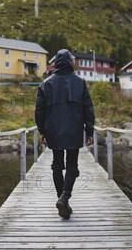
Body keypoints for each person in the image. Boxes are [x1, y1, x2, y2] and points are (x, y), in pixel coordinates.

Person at [35, 49, 95, 219]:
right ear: (70, 62)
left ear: (56, 63)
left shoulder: (46, 84)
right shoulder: (80, 82)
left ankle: (62, 200)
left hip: (53, 130)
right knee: (72, 165)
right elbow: (88, 108)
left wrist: (42, 130)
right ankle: (64, 198)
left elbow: (39, 111)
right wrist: (89, 130)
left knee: (57, 164)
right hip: (75, 130)